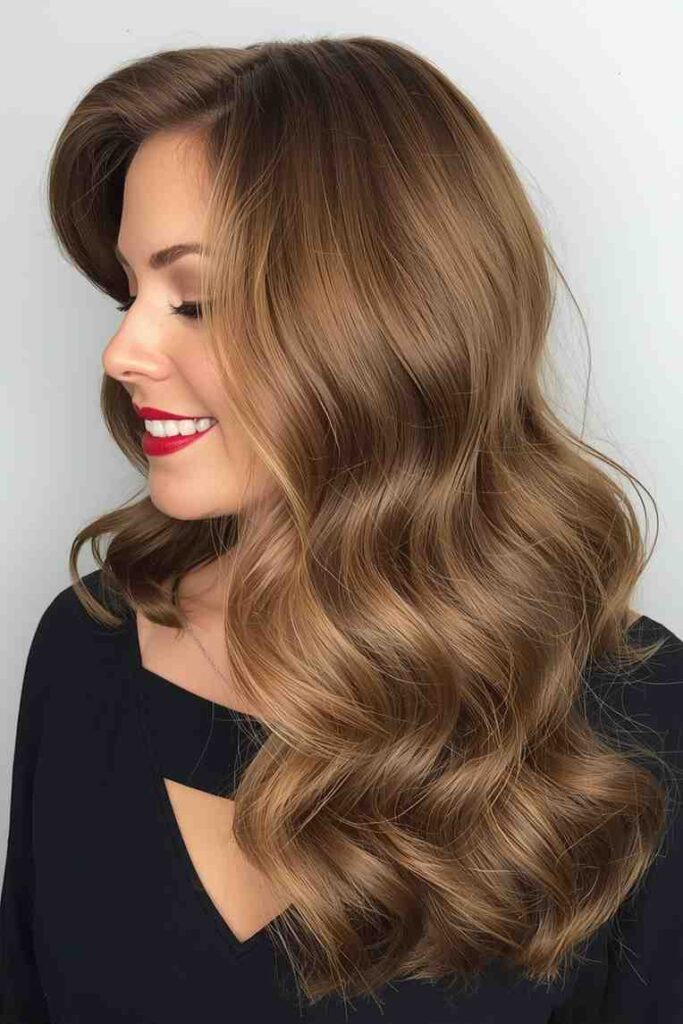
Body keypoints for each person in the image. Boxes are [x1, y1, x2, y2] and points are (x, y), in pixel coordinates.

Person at [2, 36, 682, 1022]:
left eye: (193, 300)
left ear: (382, 319)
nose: (121, 351)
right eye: (128, 291)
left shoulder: (629, 717)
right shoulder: (85, 649)